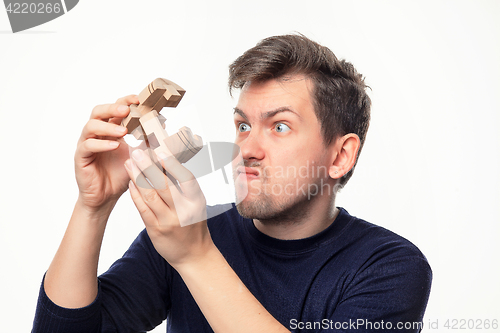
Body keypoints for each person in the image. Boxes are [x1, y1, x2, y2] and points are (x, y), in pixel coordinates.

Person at [32, 34, 432, 333]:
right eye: (242, 125)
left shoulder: (390, 268)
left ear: (340, 155)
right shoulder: (188, 235)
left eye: (279, 126)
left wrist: (196, 257)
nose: (246, 148)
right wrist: (93, 206)